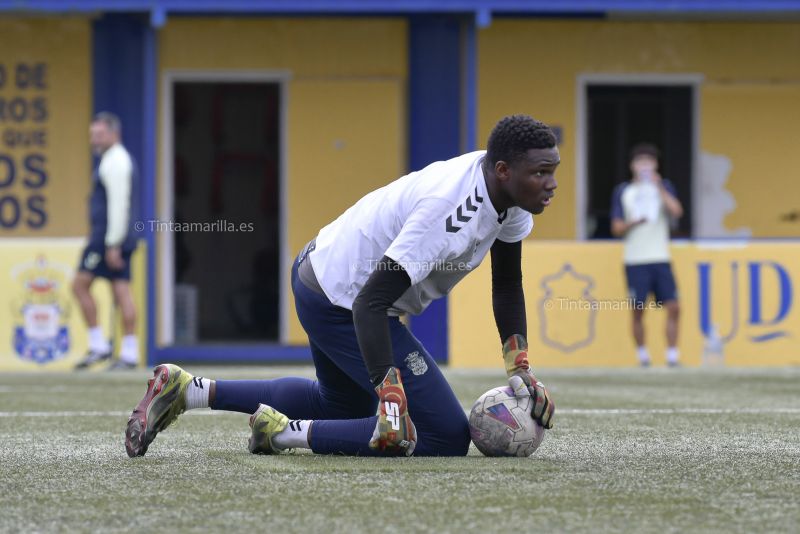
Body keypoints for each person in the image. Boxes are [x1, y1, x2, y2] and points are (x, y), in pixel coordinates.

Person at [125, 114, 558, 458]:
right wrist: (391, 395)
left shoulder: (509, 195)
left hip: (325, 274)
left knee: (339, 408)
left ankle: (188, 389)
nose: (552, 184)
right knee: (441, 435)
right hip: (342, 297)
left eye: (553, 171)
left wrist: (520, 367)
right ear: (503, 170)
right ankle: (278, 435)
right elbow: (370, 303)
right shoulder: (450, 213)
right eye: (541, 173)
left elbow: (506, 283)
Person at [73, 112, 139, 371]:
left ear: (114, 134)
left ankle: (99, 345)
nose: (94, 140)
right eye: (92, 135)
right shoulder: (112, 159)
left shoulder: (116, 162)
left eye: (99, 134)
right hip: (113, 236)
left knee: (80, 285)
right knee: (120, 289)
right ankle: (128, 352)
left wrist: (113, 243)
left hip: (107, 238)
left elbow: (119, 204)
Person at [610, 143, 683, 367]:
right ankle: (643, 355)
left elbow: (677, 212)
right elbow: (616, 228)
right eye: (640, 162)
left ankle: (672, 355)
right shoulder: (624, 191)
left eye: (649, 162)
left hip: (660, 257)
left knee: (673, 306)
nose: (644, 166)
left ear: (656, 165)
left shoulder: (664, 187)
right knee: (638, 310)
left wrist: (659, 186)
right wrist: (633, 223)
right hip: (635, 260)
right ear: (632, 166)